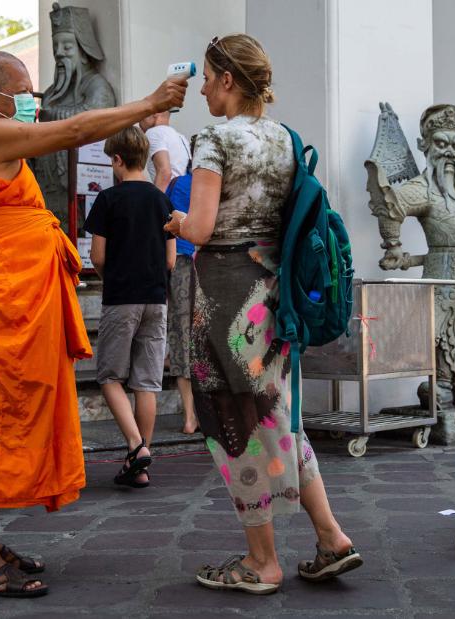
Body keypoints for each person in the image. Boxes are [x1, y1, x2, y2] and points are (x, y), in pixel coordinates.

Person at [0, 50, 184, 598]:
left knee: (10, 415)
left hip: (17, 304)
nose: (34, 101)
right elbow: (74, 130)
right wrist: (151, 104)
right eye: (22, 91)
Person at [165, 34, 361, 595]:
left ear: (228, 79)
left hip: (224, 289)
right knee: (275, 412)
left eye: (206, 76)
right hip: (271, 289)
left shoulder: (213, 139)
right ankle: (330, 538)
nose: (202, 86)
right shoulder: (284, 137)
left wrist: (176, 222)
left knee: (235, 419)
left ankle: (262, 561)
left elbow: (201, 229)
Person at [84, 125, 176, 488]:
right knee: (147, 383)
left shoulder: (108, 199)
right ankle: (142, 463)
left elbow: (97, 255)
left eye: (111, 161)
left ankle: (137, 448)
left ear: (118, 160)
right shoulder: (161, 201)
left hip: (122, 297)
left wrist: (112, 277)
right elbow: (170, 261)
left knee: (109, 377)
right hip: (157, 299)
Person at [140, 112, 198, 434]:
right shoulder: (210, 187)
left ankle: (190, 415)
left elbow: (168, 230)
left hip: (183, 262)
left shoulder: (174, 184)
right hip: (210, 267)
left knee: (180, 330)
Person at [139, 110, 190, 192]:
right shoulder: (181, 137)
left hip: (169, 197)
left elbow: (164, 172)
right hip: (183, 196)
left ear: (155, 113)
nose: (139, 120)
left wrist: (156, 203)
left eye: (142, 114)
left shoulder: (153, 133)